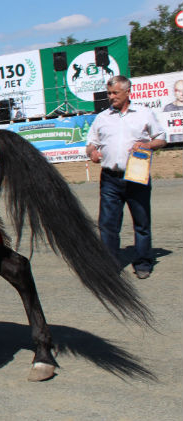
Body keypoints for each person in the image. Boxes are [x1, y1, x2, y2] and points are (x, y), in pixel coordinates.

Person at [86, 75, 166, 279]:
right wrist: (92, 153)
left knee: (141, 221)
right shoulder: (102, 117)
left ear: (128, 92)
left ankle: (143, 261)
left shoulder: (143, 114)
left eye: (115, 93)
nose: (111, 97)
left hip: (136, 175)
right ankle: (110, 264)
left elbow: (161, 139)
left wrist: (147, 145)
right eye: (109, 93)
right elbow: (90, 143)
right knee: (108, 223)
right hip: (110, 178)